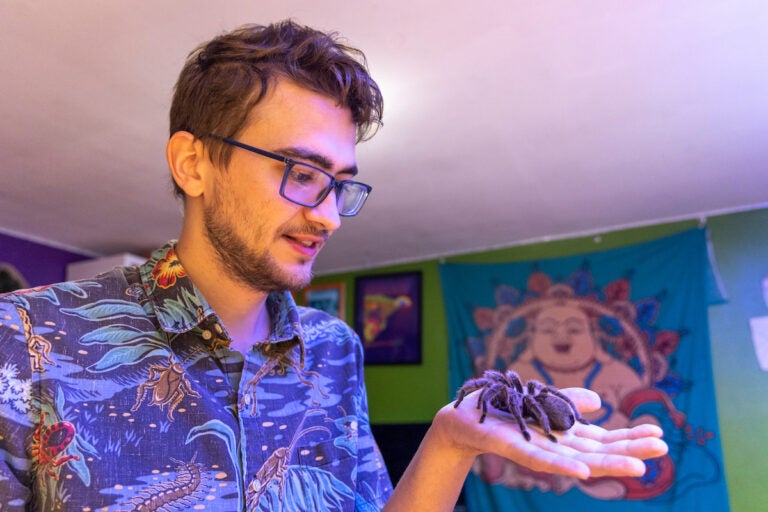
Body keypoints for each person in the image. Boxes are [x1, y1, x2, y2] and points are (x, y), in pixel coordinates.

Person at [0, 20, 667, 511]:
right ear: (194, 162)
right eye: (299, 172)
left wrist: (449, 447)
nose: (326, 214)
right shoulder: (23, 339)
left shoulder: (333, 349)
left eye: (339, 183)